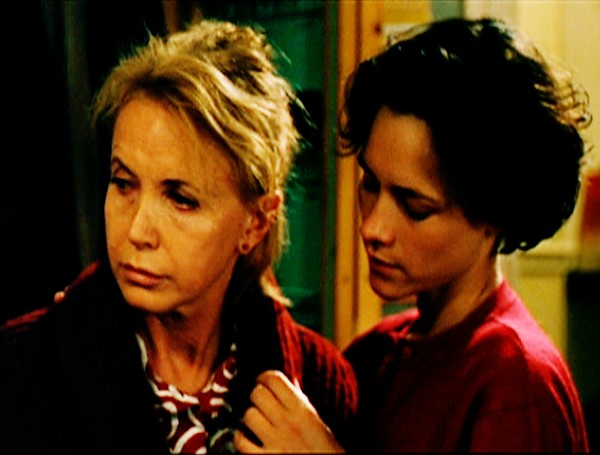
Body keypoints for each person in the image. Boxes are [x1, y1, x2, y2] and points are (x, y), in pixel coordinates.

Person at [234, 17, 591, 453]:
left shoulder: (516, 385)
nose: (372, 228)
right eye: (370, 185)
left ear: (493, 214)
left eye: (415, 207)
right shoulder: (374, 357)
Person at [0, 19, 357, 453]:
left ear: (255, 223)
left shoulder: (321, 385)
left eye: (181, 199)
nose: (137, 231)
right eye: (123, 183)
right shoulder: (22, 368)